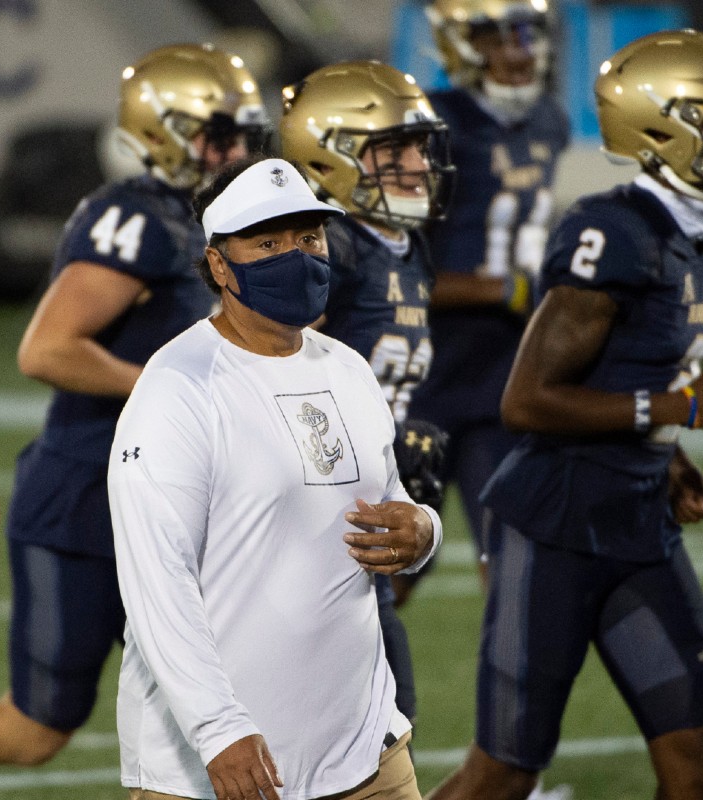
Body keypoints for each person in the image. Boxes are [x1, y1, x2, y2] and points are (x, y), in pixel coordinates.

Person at [0, 43, 269, 775]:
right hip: (88, 503)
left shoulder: (212, 221)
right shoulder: (137, 216)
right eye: (222, 132)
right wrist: (167, 385)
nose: (240, 149)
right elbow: (48, 349)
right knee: (35, 729)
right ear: (162, 133)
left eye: (247, 132)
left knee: (237, 705)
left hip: (179, 504)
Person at [426, 29, 703, 800]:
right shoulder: (613, 230)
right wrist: (681, 407)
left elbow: (632, 370)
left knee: (696, 757)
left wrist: (670, 451)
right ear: (662, 128)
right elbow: (528, 401)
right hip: (555, 526)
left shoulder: (693, 227)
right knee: (505, 773)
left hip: (639, 518)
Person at [109, 155, 442, 800]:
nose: (298, 256)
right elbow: (157, 582)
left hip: (365, 750)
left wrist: (421, 530)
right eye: (267, 242)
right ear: (217, 264)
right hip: (218, 765)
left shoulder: (347, 369)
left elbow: (389, 501)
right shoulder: (178, 387)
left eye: (308, 238)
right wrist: (217, 728)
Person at [278, 59, 455, 729]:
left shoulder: (404, 248)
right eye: (393, 150)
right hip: (297, 531)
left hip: (345, 526)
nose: (416, 163)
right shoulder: (332, 246)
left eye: (417, 145)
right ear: (332, 156)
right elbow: (255, 372)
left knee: (378, 730)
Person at [404, 0, 571, 604]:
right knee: (393, 569)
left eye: (524, 33)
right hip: (423, 374)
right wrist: (501, 289)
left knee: (509, 562)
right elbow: (390, 272)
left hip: (503, 376)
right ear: (459, 44)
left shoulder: (548, 119)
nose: (517, 51)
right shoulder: (429, 126)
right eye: (495, 36)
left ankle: (507, 698)